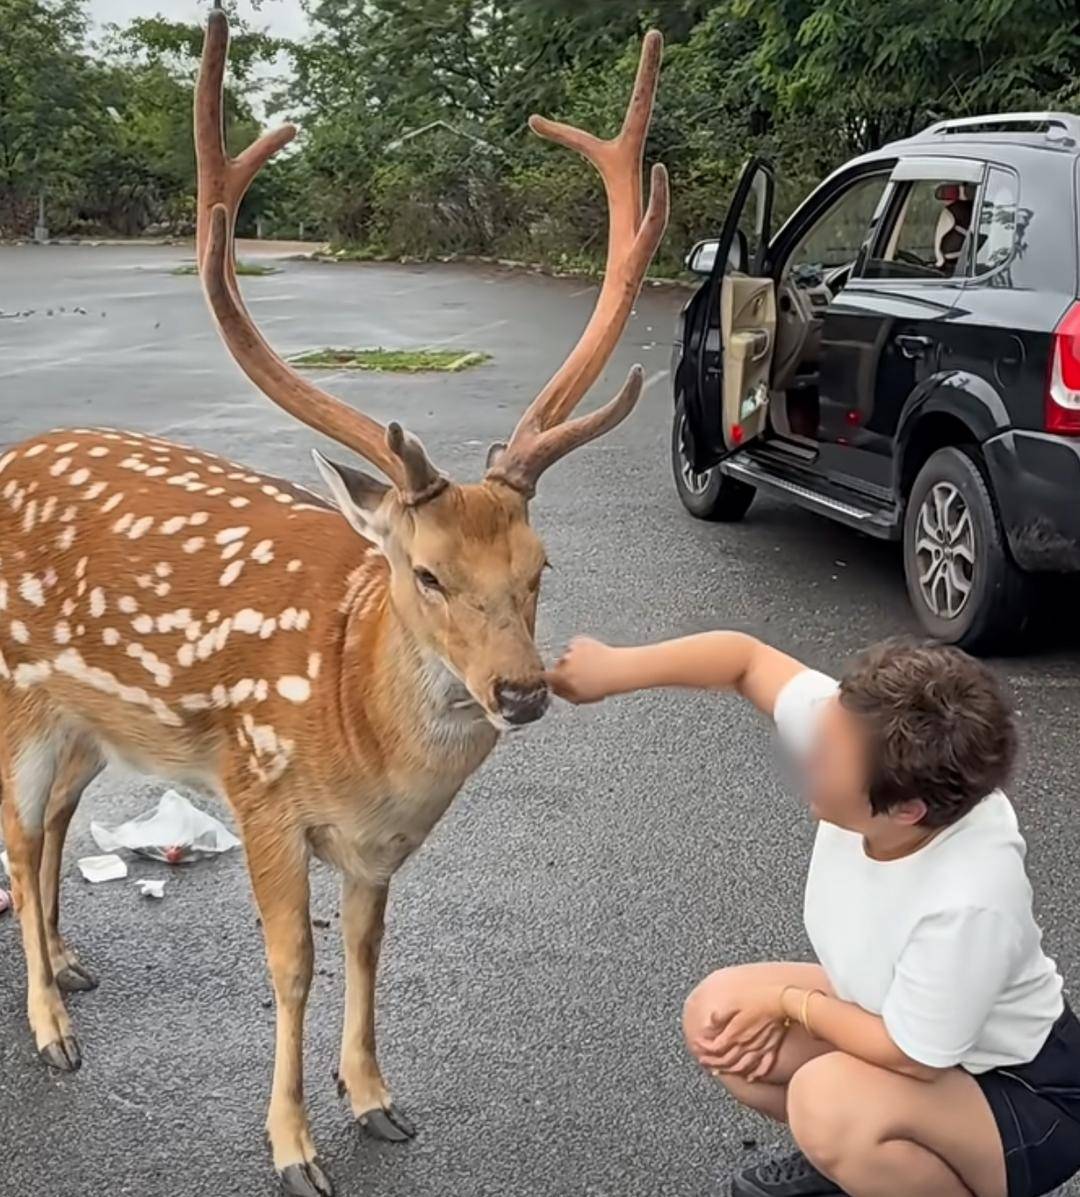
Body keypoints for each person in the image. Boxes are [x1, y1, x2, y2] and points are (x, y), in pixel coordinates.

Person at [547, 633, 1080, 1197]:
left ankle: (892, 1163)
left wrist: (789, 1004)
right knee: (719, 1016)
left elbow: (910, 1054)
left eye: (825, 759)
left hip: (1022, 1098)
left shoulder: (971, 895)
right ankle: (875, 1168)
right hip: (918, 1039)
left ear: (905, 810)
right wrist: (615, 668)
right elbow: (745, 660)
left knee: (826, 1103)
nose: (806, 754)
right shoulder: (861, 733)